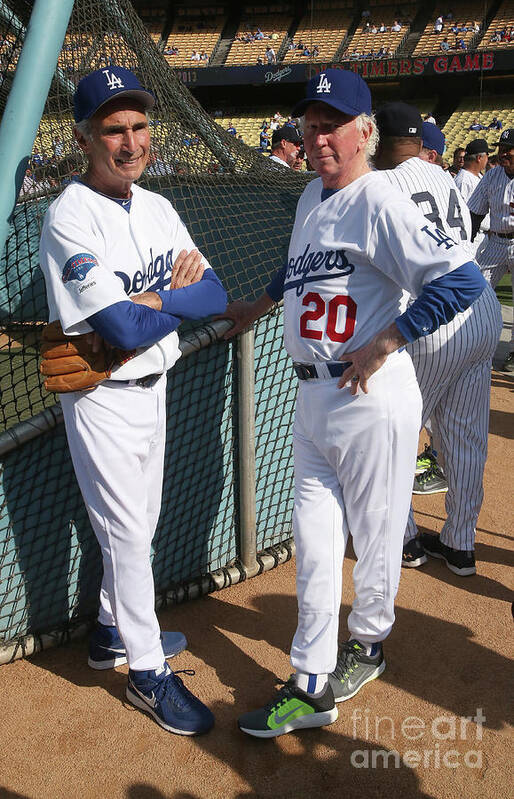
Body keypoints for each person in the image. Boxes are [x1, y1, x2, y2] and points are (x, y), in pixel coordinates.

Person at [217, 70, 486, 738]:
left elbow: (461, 280)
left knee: (376, 535)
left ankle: (367, 643)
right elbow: (298, 264)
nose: (318, 137)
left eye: (332, 123)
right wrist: (261, 302)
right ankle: (310, 683)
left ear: (364, 131)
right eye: (310, 125)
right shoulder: (312, 192)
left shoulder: (380, 199)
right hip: (313, 398)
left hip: (368, 396)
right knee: (314, 544)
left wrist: (390, 338)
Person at [38, 66, 227, 735]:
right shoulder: (69, 214)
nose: (130, 140)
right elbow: (116, 329)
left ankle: (111, 633)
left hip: (156, 385)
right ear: (86, 137)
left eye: (140, 125)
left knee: (141, 525)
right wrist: (167, 301)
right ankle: (147, 674)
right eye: (114, 128)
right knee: (125, 534)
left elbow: (217, 293)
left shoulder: (156, 205)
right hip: (102, 395)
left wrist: (154, 301)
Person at [373, 103, 502, 575]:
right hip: (483, 312)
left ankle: (405, 540)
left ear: (379, 140)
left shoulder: (380, 183)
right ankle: (461, 544)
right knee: (466, 435)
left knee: (400, 431)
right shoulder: (443, 176)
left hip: (434, 316)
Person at [468, 128, 514, 372]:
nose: (503, 153)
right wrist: (467, 240)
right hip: (495, 241)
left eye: (509, 149)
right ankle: (474, 341)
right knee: (477, 291)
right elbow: (475, 212)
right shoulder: (492, 176)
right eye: (501, 148)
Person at [454, 139, 491, 252]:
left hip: (483, 236)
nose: (487, 159)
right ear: (479, 158)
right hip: (473, 237)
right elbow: (466, 215)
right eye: (487, 155)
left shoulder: (477, 176)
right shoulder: (463, 180)